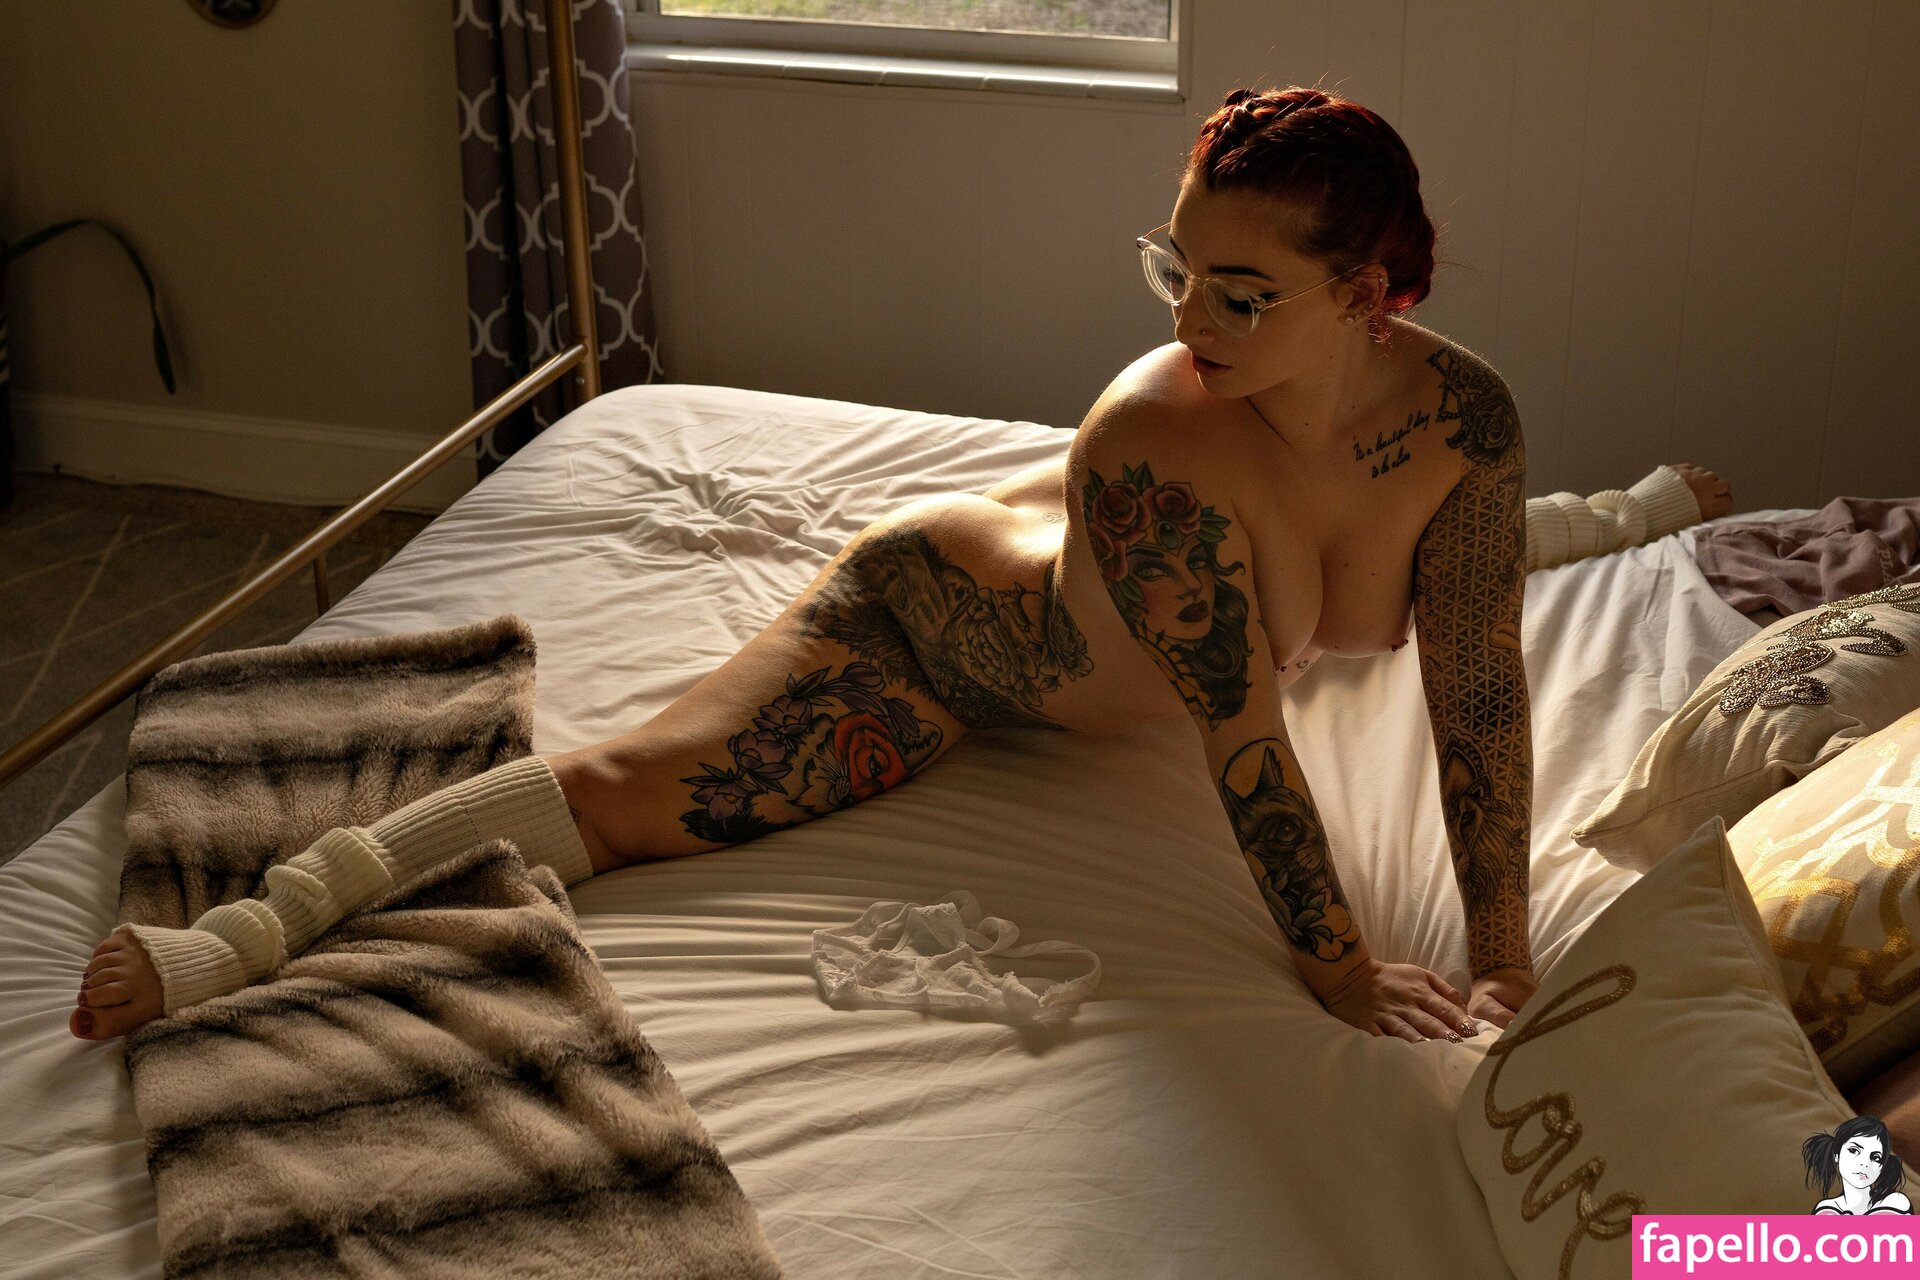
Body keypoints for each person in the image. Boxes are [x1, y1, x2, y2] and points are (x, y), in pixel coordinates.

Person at [70, 87, 1726, 1050]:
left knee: (1463, 565)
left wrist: (1507, 953)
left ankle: (1627, 512)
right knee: (637, 794)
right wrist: (1346, 973)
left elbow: (1475, 676)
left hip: (1099, 553)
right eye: (1175, 268)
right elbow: (1249, 749)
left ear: (1371, 297)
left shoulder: (1462, 424)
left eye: (1239, 293)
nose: (1188, 317)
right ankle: (270, 918)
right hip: (942, 633)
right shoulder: (1165, 436)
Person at [1803, 1116, 1914, 1214]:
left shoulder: (1896, 1202)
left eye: (1875, 1158)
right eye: (1854, 1150)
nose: (1865, 1164)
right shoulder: (1826, 1209)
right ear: (1836, 1155)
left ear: (1882, 1167)